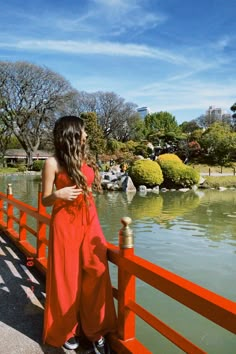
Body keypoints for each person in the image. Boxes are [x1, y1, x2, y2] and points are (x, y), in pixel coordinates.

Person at [42, 116, 117, 353]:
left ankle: (95, 329)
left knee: (97, 270)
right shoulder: (52, 163)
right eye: (84, 132)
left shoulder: (84, 159)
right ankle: (67, 329)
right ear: (72, 134)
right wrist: (58, 195)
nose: (87, 136)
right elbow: (44, 200)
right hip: (65, 223)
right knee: (66, 278)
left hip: (89, 219)